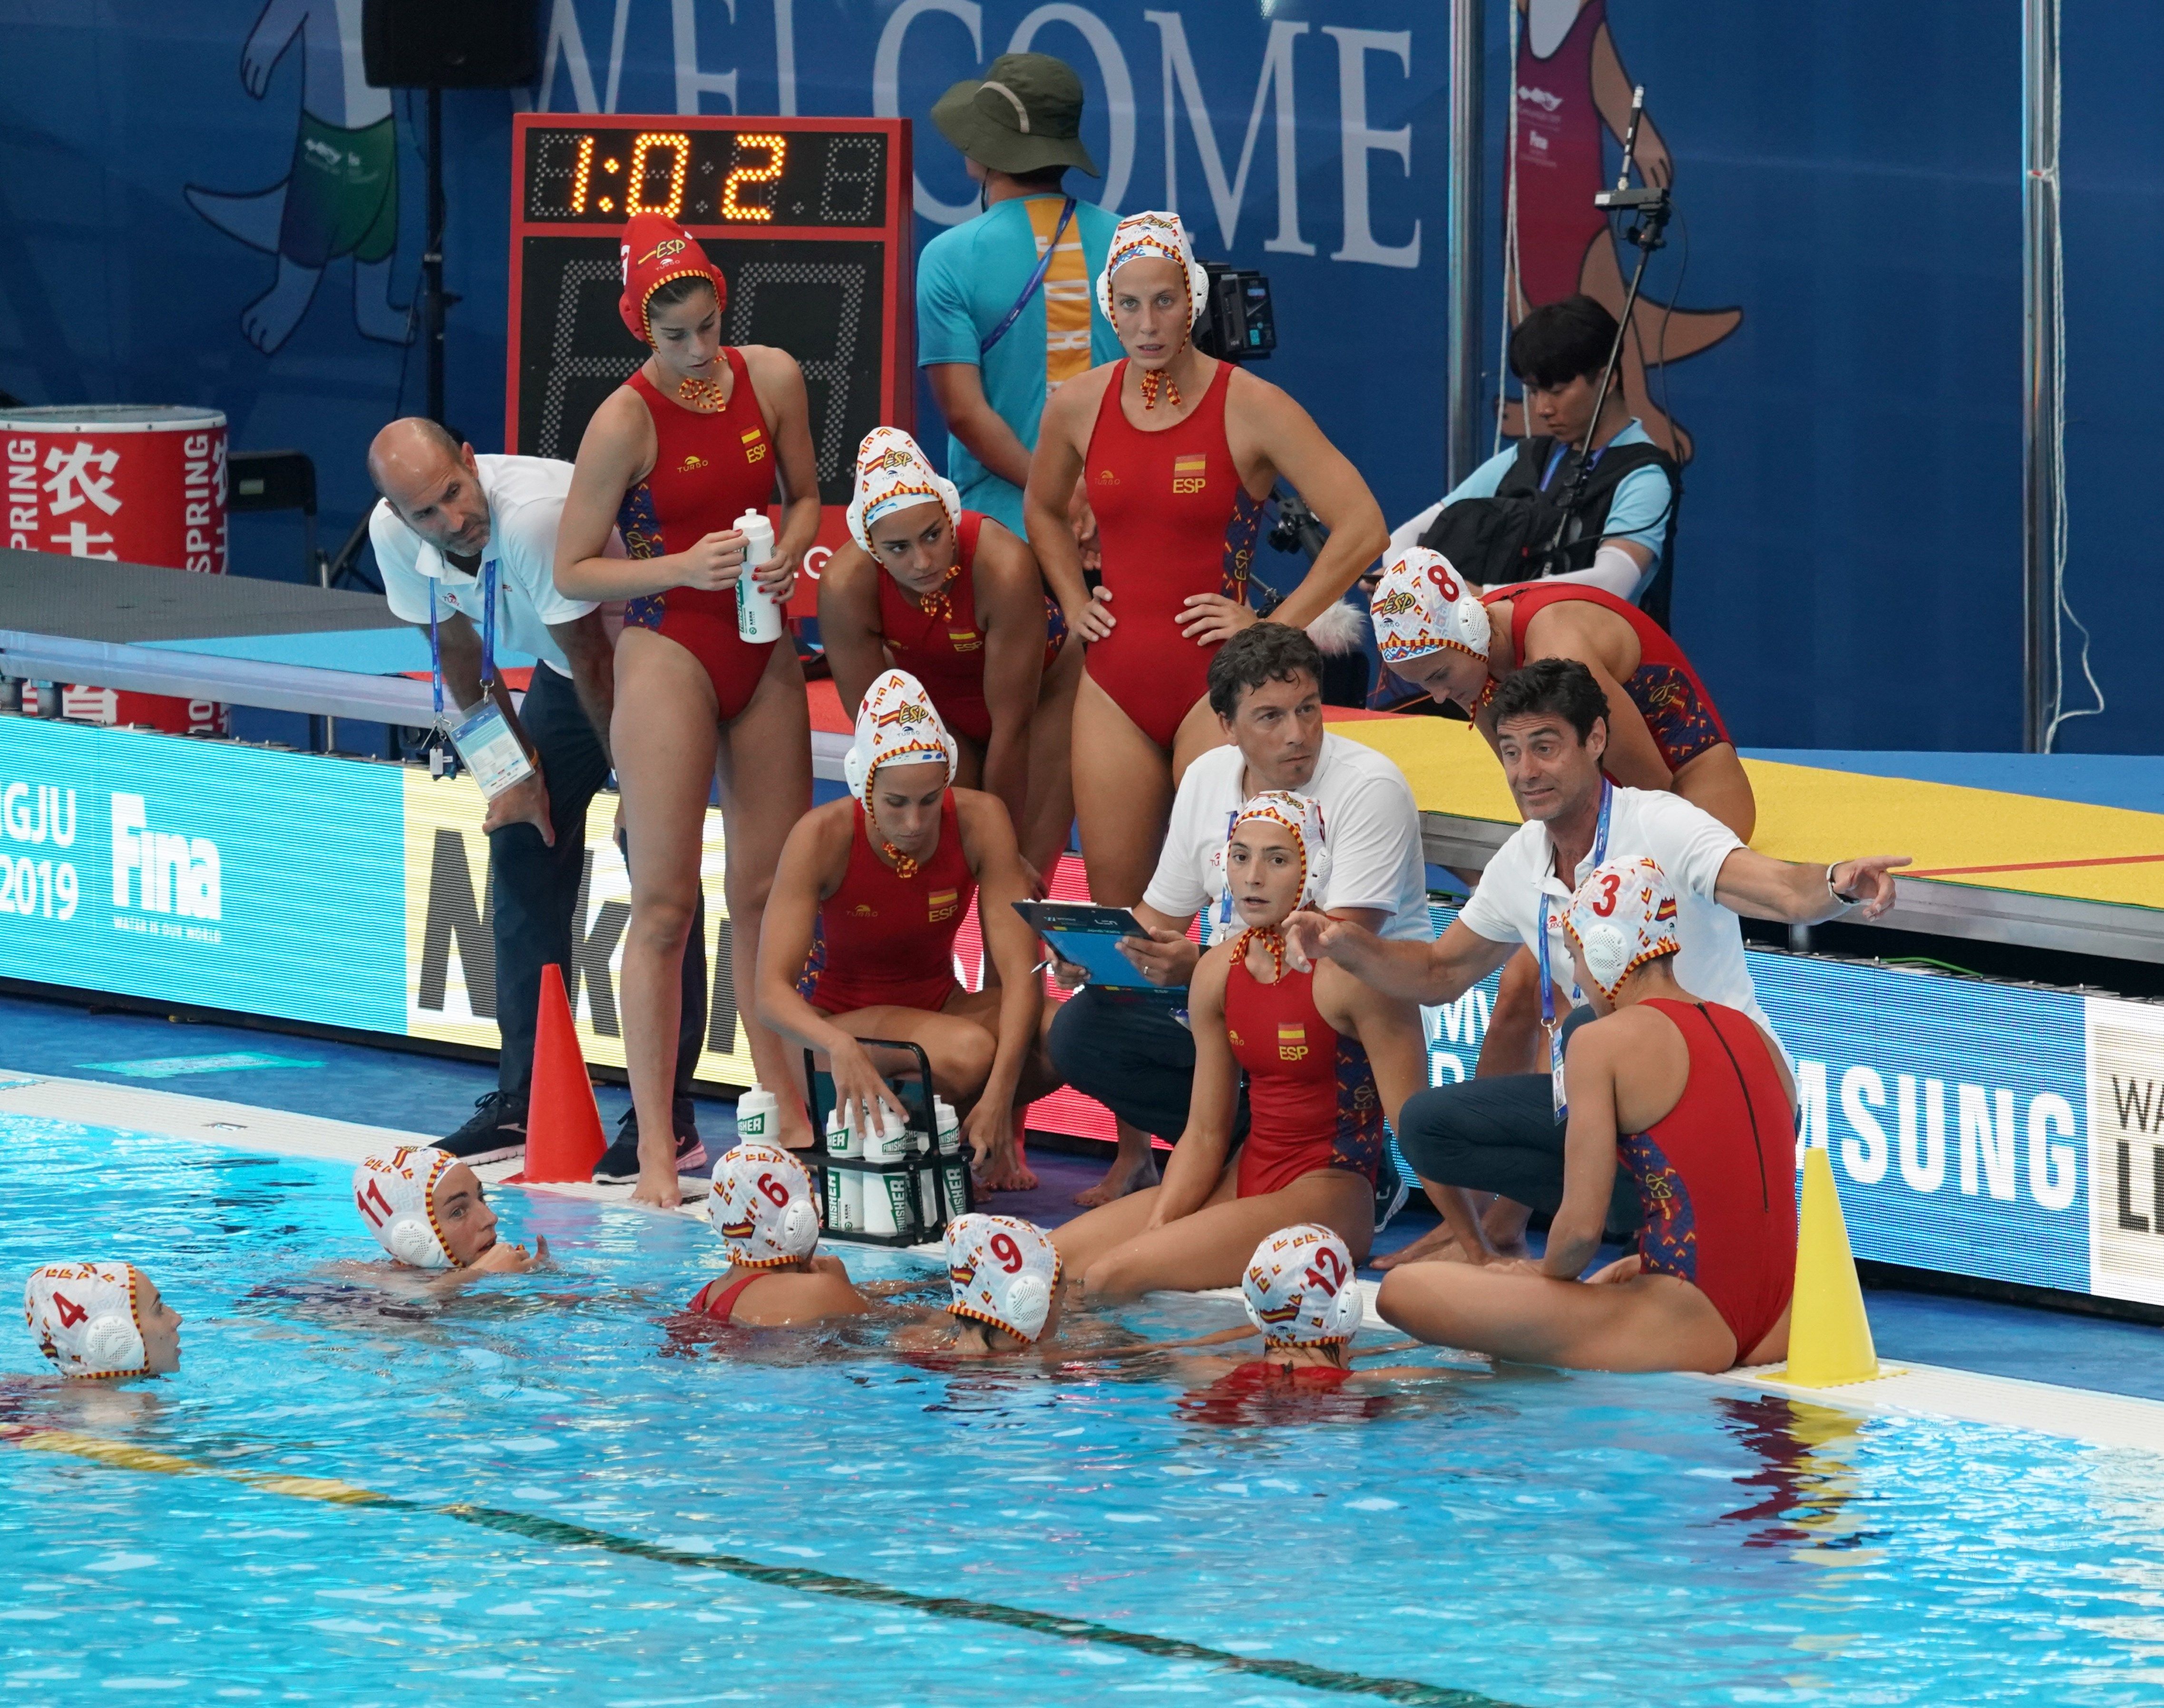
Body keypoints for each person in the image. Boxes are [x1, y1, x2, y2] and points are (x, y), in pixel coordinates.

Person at [1287, 659, 1908, 1269]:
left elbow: (1778, 888)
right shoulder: (1521, 858)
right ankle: (1621, 1220)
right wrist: (1341, 943)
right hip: (1623, 1100)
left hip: (1723, 1093)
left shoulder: (1662, 824)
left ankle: (1639, 1242)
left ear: (1595, 740)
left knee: (1588, 1035)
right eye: (1510, 751)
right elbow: (1436, 975)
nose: (1525, 771)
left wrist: (1838, 882)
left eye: (1545, 747)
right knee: (1428, 1126)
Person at [555, 212, 821, 1201]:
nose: (700, 350)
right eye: (676, 337)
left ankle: (789, 1113)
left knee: (767, 894)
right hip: (668, 646)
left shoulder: (775, 375)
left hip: (762, 642)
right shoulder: (624, 421)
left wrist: (790, 546)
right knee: (666, 905)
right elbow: (572, 567)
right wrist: (680, 563)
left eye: (710, 325)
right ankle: (664, 1150)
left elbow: (804, 493)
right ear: (642, 330)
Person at [367, 418, 709, 1174]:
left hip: (661, 655)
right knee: (520, 834)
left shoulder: (531, 517)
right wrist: (508, 777)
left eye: (456, 493)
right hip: (572, 665)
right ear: (398, 516)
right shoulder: (394, 537)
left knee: (651, 859)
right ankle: (524, 1100)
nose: (452, 522)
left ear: (469, 456)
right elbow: (456, 648)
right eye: (425, 512)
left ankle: (671, 1116)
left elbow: (598, 661)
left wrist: (635, 786)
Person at [1025, 210, 1389, 908]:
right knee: (1121, 911)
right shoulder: (1076, 405)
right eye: (1128, 305)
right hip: (1112, 685)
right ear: (1109, 308)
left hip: (1216, 686)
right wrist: (1074, 599)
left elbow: (1362, 526)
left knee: (1239, 902)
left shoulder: (1251, 405)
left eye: (1164, 300)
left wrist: (1275, 626)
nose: (1148, 324)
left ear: (1192, 298)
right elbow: (1042, 509)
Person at [1046, 622, 1428, 1210]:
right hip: (1237, 1006)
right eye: (1270, 717)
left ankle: (1355, 1168)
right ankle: (1241, 1158)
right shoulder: (1205, 777)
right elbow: (1159, 917)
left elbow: (1333, 949)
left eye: (1307, 709)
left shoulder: (1369, 787)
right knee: (1081, 1030)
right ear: (1226, 726)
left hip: (1338, 1022)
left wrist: (1198, 966)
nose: (1297, 734)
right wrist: (1094, 953)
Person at [1377, 858, 1797, 1372]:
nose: (1576, 975)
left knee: (1402, 1291)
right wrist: (1646, 1262)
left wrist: (1544, 1283)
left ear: (1606, 953)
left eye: (1576, 957)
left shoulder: (1602, 1042)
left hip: (1688, 1323)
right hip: (1784, 1318)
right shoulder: (1754, 1035)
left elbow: (1579, 1232)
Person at [1368, 542, 1752, 1093]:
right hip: (1601, 802)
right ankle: (1490, 1160)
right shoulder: (1471, 652)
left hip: (1690, 785)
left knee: (1579, 989)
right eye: (1421, 683)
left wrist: (1579, 909)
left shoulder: (1558, 650)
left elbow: (1650, 797)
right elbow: (1534, 793)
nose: (1436, 694)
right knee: (1517, 992)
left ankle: (1573, 1140)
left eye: (1438, 674)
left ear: (1468, 632)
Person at [1054, 794, 1429, 1302]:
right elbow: (1206, 1133)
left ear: (1312, 871)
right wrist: (1159, 1225)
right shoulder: (1216, 971)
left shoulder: (1354, 972)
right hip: (1244, 1174)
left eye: (1276, 859)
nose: (1252, 877)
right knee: (1042, 1264)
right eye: (1240, 856)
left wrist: (1473, 1238)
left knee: (1110, 1277)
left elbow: (1418, 1128)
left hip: (1329, 1194)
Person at [756, 669, 1057, 1188]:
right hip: (831, 1028)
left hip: (936, 1008)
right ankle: (923, 1154)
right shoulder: (820, 837)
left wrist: (999, 1104)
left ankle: (954, 1144)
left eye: (929, 802)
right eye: (896, 803)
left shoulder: (981, 820)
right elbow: (769, 993)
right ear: (862, 785)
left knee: (1064, 1035)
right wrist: (838, 1043)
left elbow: (1020, 974)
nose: (915, 823)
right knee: (967, 1052)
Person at [817, 427, 1080, 884]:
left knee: (1020, 883)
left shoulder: (1003, 565)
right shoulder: (846, 587)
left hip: (1044, 700)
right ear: (870, 545)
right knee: (929, 871)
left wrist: (1004, 849)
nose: (923, 562)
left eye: (933, 535)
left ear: (950, 512)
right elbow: (879, 739)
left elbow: (1011, 728)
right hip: (939, 709)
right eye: (899, 548)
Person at [918, 51, 1122, 537]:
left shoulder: (948, 256)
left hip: (1002, 537)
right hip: (1120, 525)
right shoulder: (1131, 241)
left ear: (987, 149)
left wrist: (1057, 497)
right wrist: (1085, 502)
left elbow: (965, 414)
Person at [1388, 295, 1678, 619]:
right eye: (1533, 392)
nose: (1543, 409)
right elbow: (1406, 536)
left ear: (1606, 380)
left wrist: (1484, 595)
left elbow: (1613, 582)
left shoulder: (1645, 474)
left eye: (1556, 392)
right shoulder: (1526, 457)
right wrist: (1401, 585)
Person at [1174, 1226, 1443, 1406]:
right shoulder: (1381, 1384)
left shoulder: (1208, 1369)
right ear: (1349, 1305)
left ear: (1255, 1312)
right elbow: (1483, 1384)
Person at [687, 1144, 873, 1327]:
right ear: (801, 1219)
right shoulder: (821, 1290)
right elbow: (880, 1333)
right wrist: (845, 1289)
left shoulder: (705, 1297)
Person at [351, 1147, 546, 1279]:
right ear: (413, 1236)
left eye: (481, 1197)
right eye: (458, 1212)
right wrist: (478, 1274)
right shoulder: (359, 1288)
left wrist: (544, 1279)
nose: (490, 1218)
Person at [22, 1263, 182, 1380]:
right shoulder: (129, 1417)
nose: (177, 1319)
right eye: (158, 1310)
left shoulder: (34, 1388)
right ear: (108, 1333)